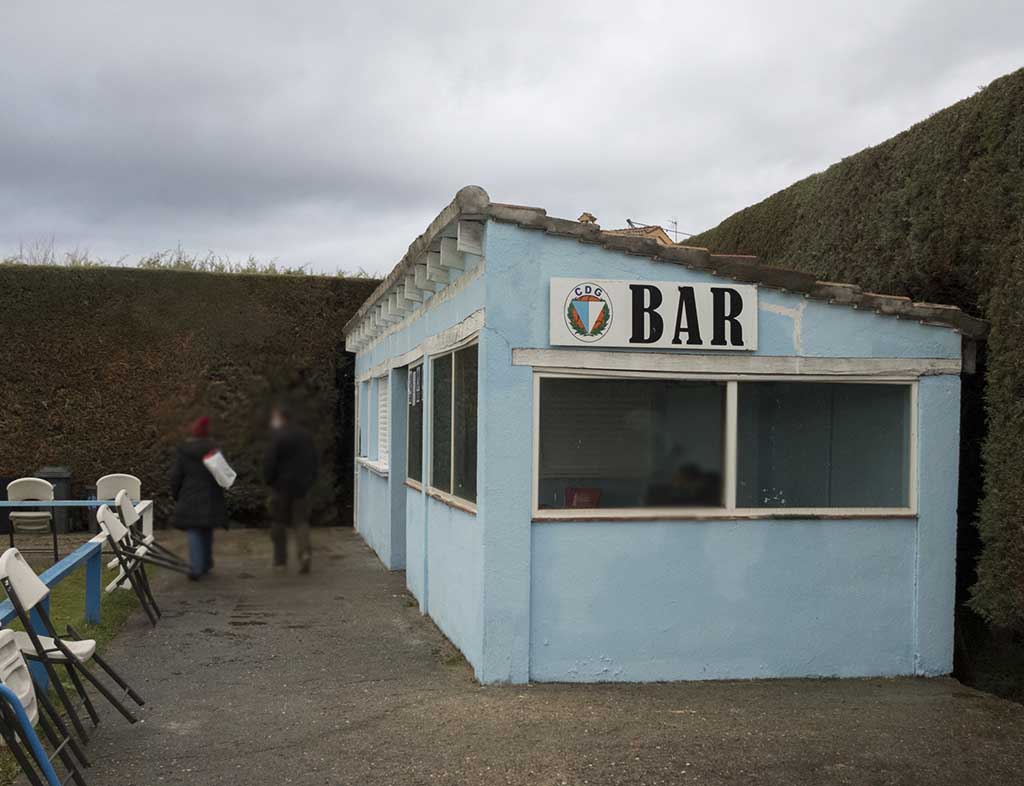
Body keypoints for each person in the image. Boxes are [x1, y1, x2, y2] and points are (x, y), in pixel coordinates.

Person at [263, 404, 318, 573]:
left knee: (278, 522)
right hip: (301, 487)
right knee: (300, 521)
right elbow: (314, 461)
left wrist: (269, 480)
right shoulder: (305, 436)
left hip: (281, 487)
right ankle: (304, 554)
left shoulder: (278, 437)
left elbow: (270, 463)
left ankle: (280, 562)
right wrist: (309, 481)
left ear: (281, 418)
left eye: (274, 418)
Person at [170, 415, 227, 580]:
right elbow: (221, 474)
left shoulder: (184, 452)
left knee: (194, 530)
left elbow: (176, 476)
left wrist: (176, 494)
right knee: (206, 528)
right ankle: (206, 562)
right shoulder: (213, 450)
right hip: (211, 496)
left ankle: (196, 567)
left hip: (190, 495)